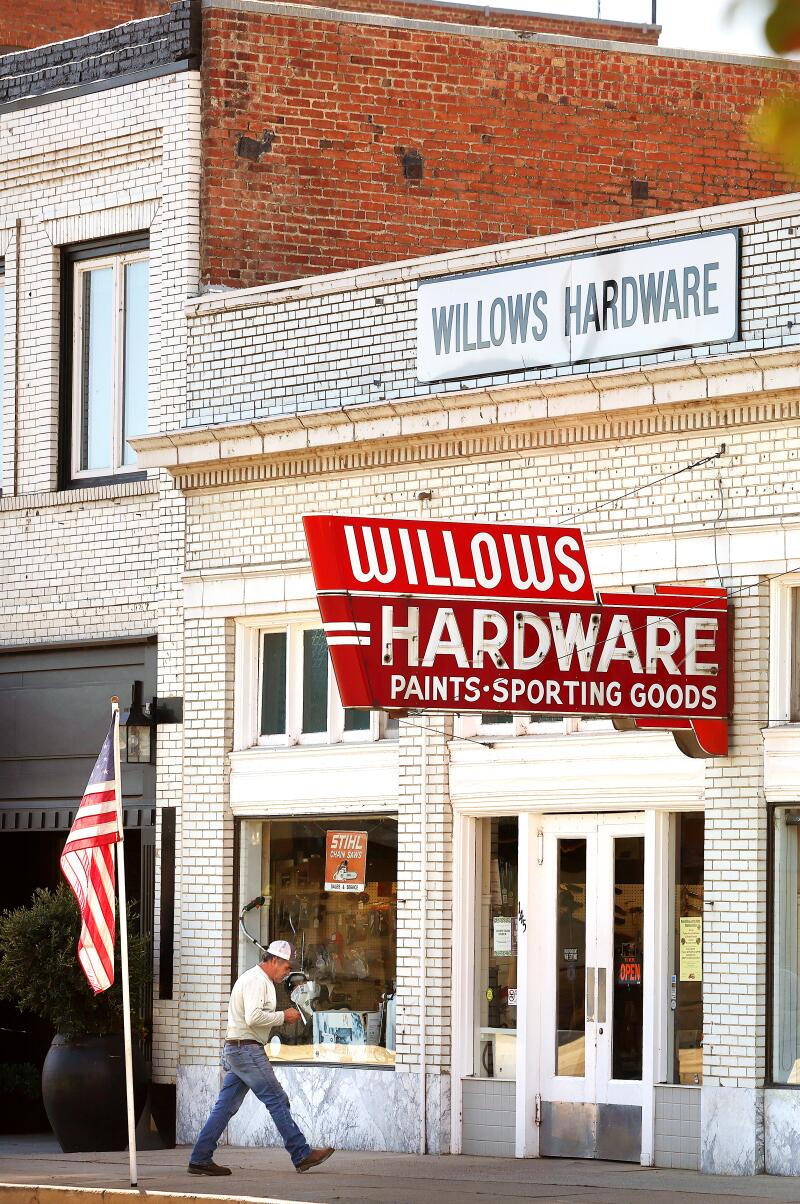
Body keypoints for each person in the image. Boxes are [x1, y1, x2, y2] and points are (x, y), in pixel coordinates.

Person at [188, 940, 334, 1176]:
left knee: (224, 1107)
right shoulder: (258, 980)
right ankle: (301, 1153)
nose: (287, 973)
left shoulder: (255, 979)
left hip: (238, 1049)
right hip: (246, 1049)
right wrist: (282, 1016)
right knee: (277, 1098)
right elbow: (253, 1018)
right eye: (286, 967)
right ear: (274, 960)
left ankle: (200, 1157)